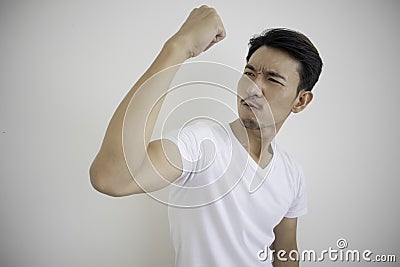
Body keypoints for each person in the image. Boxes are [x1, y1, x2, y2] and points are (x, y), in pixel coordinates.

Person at [89, 5, 323, 267]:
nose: (253, 87)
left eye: (273, 79)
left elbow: (286, 250)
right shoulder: (201, 143)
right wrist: (179, 46)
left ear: (301, 101)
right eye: (249, 73)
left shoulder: (292, 173)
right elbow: (111, 179)